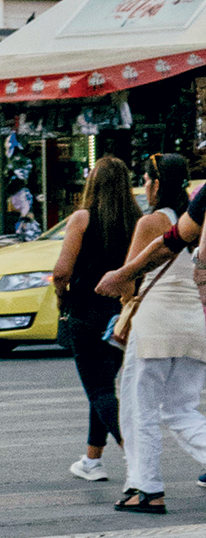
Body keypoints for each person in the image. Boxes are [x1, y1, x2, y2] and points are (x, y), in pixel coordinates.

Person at [94, 154, 206, 514]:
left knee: (138, 407)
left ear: (156, 184)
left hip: (155, 323)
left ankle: (146, 487)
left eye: (145, 180)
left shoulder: (153, 221)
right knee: (180, 408)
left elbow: (131, 278)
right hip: (197, 324)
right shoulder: (197, 215)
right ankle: (144, 485)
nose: (144, 187)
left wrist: (118, 286)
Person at [53, 154, 136, 481]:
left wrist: (62, 296)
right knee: (101, 386)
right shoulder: (137, 220)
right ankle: (92, 460)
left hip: (86, 311)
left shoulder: (82, 219)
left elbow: (62, 271)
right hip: (122, 314)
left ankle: (134, 452)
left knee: (99, 389)